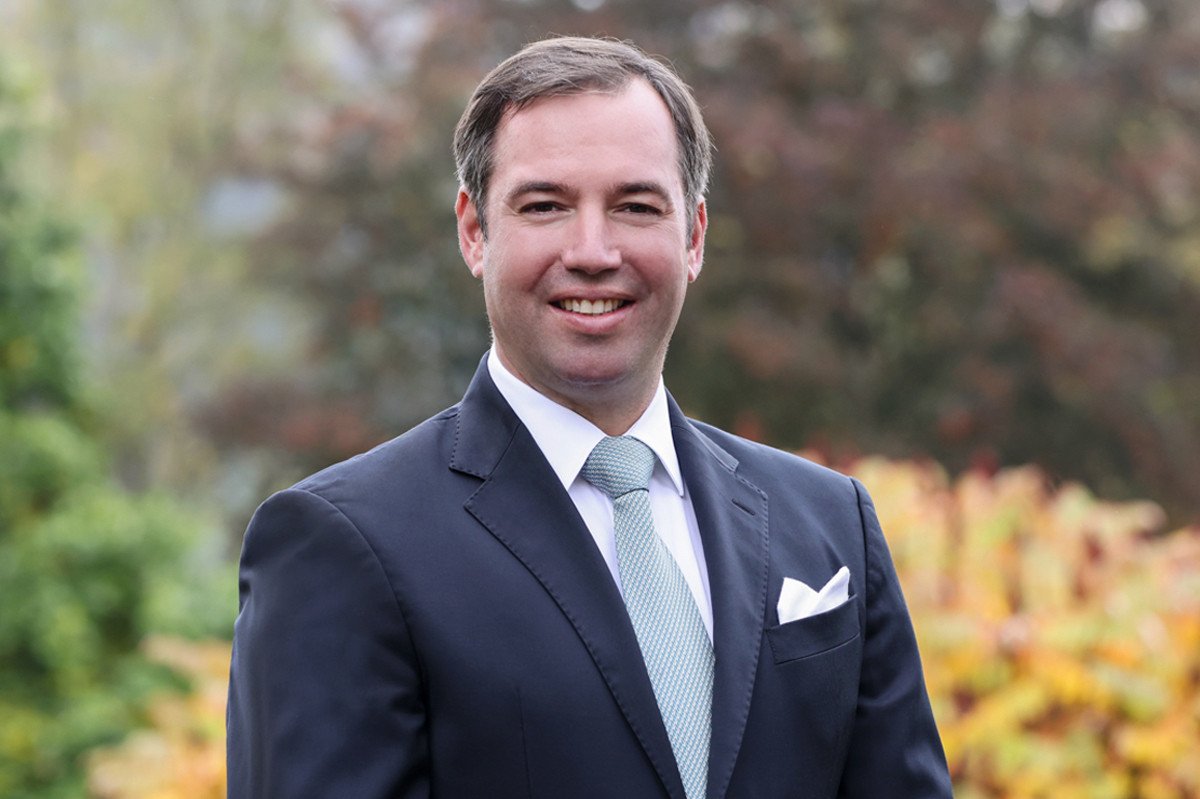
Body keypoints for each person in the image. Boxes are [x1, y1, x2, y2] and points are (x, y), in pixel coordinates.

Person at [226, 35, 952, 798]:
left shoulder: (831, 524)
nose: (594, 250)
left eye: (636, 206)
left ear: (695, 235)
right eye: (546, 206)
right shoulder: (340, 546)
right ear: (474, 231)